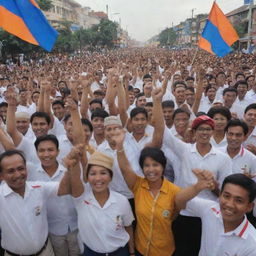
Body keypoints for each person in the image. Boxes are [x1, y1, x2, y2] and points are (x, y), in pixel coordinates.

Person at [113, 128, 215, 256]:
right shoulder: (137, 185)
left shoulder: (173, 190)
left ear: (163, 166)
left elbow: (182, 197)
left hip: (164, 251)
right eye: (146, 165)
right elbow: (125, 168)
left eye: (155, 165)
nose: (151, 170)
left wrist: (198, 187)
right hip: (141, 249)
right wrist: (119, 146)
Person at [61, 147, 135, 256]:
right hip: (91, 253)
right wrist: (70, 164)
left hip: (120, 252)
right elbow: (68, 185)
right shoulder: (81, 197)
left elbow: (128, 227)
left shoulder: (122, 200)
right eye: (93, 174)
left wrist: (132, 253)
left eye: (103, 173)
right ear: (87, 177)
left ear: (110, 177)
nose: (98, 178)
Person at [29, 134, 81, 256]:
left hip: (76, 226)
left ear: (58, 151)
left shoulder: (68, 169)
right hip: (52, 230)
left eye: (50, 150)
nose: (46, 154)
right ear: (36, 153)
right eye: (41, 150)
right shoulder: (32, 175)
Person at [0, 150, 57, 255]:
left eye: (21, 168)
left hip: (46, 252)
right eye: (11, 171)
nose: (17, 174)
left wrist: (72, 166)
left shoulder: (39, 188)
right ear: (1, 176)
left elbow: (65, 187)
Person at [186, 174, 256, 256]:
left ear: (249, 207)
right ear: (220, 195)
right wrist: (197, 187)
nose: (230, 204)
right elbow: (182, 199)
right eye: (226, 196)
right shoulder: (211, 210)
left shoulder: (252, 244)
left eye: (239, 200)